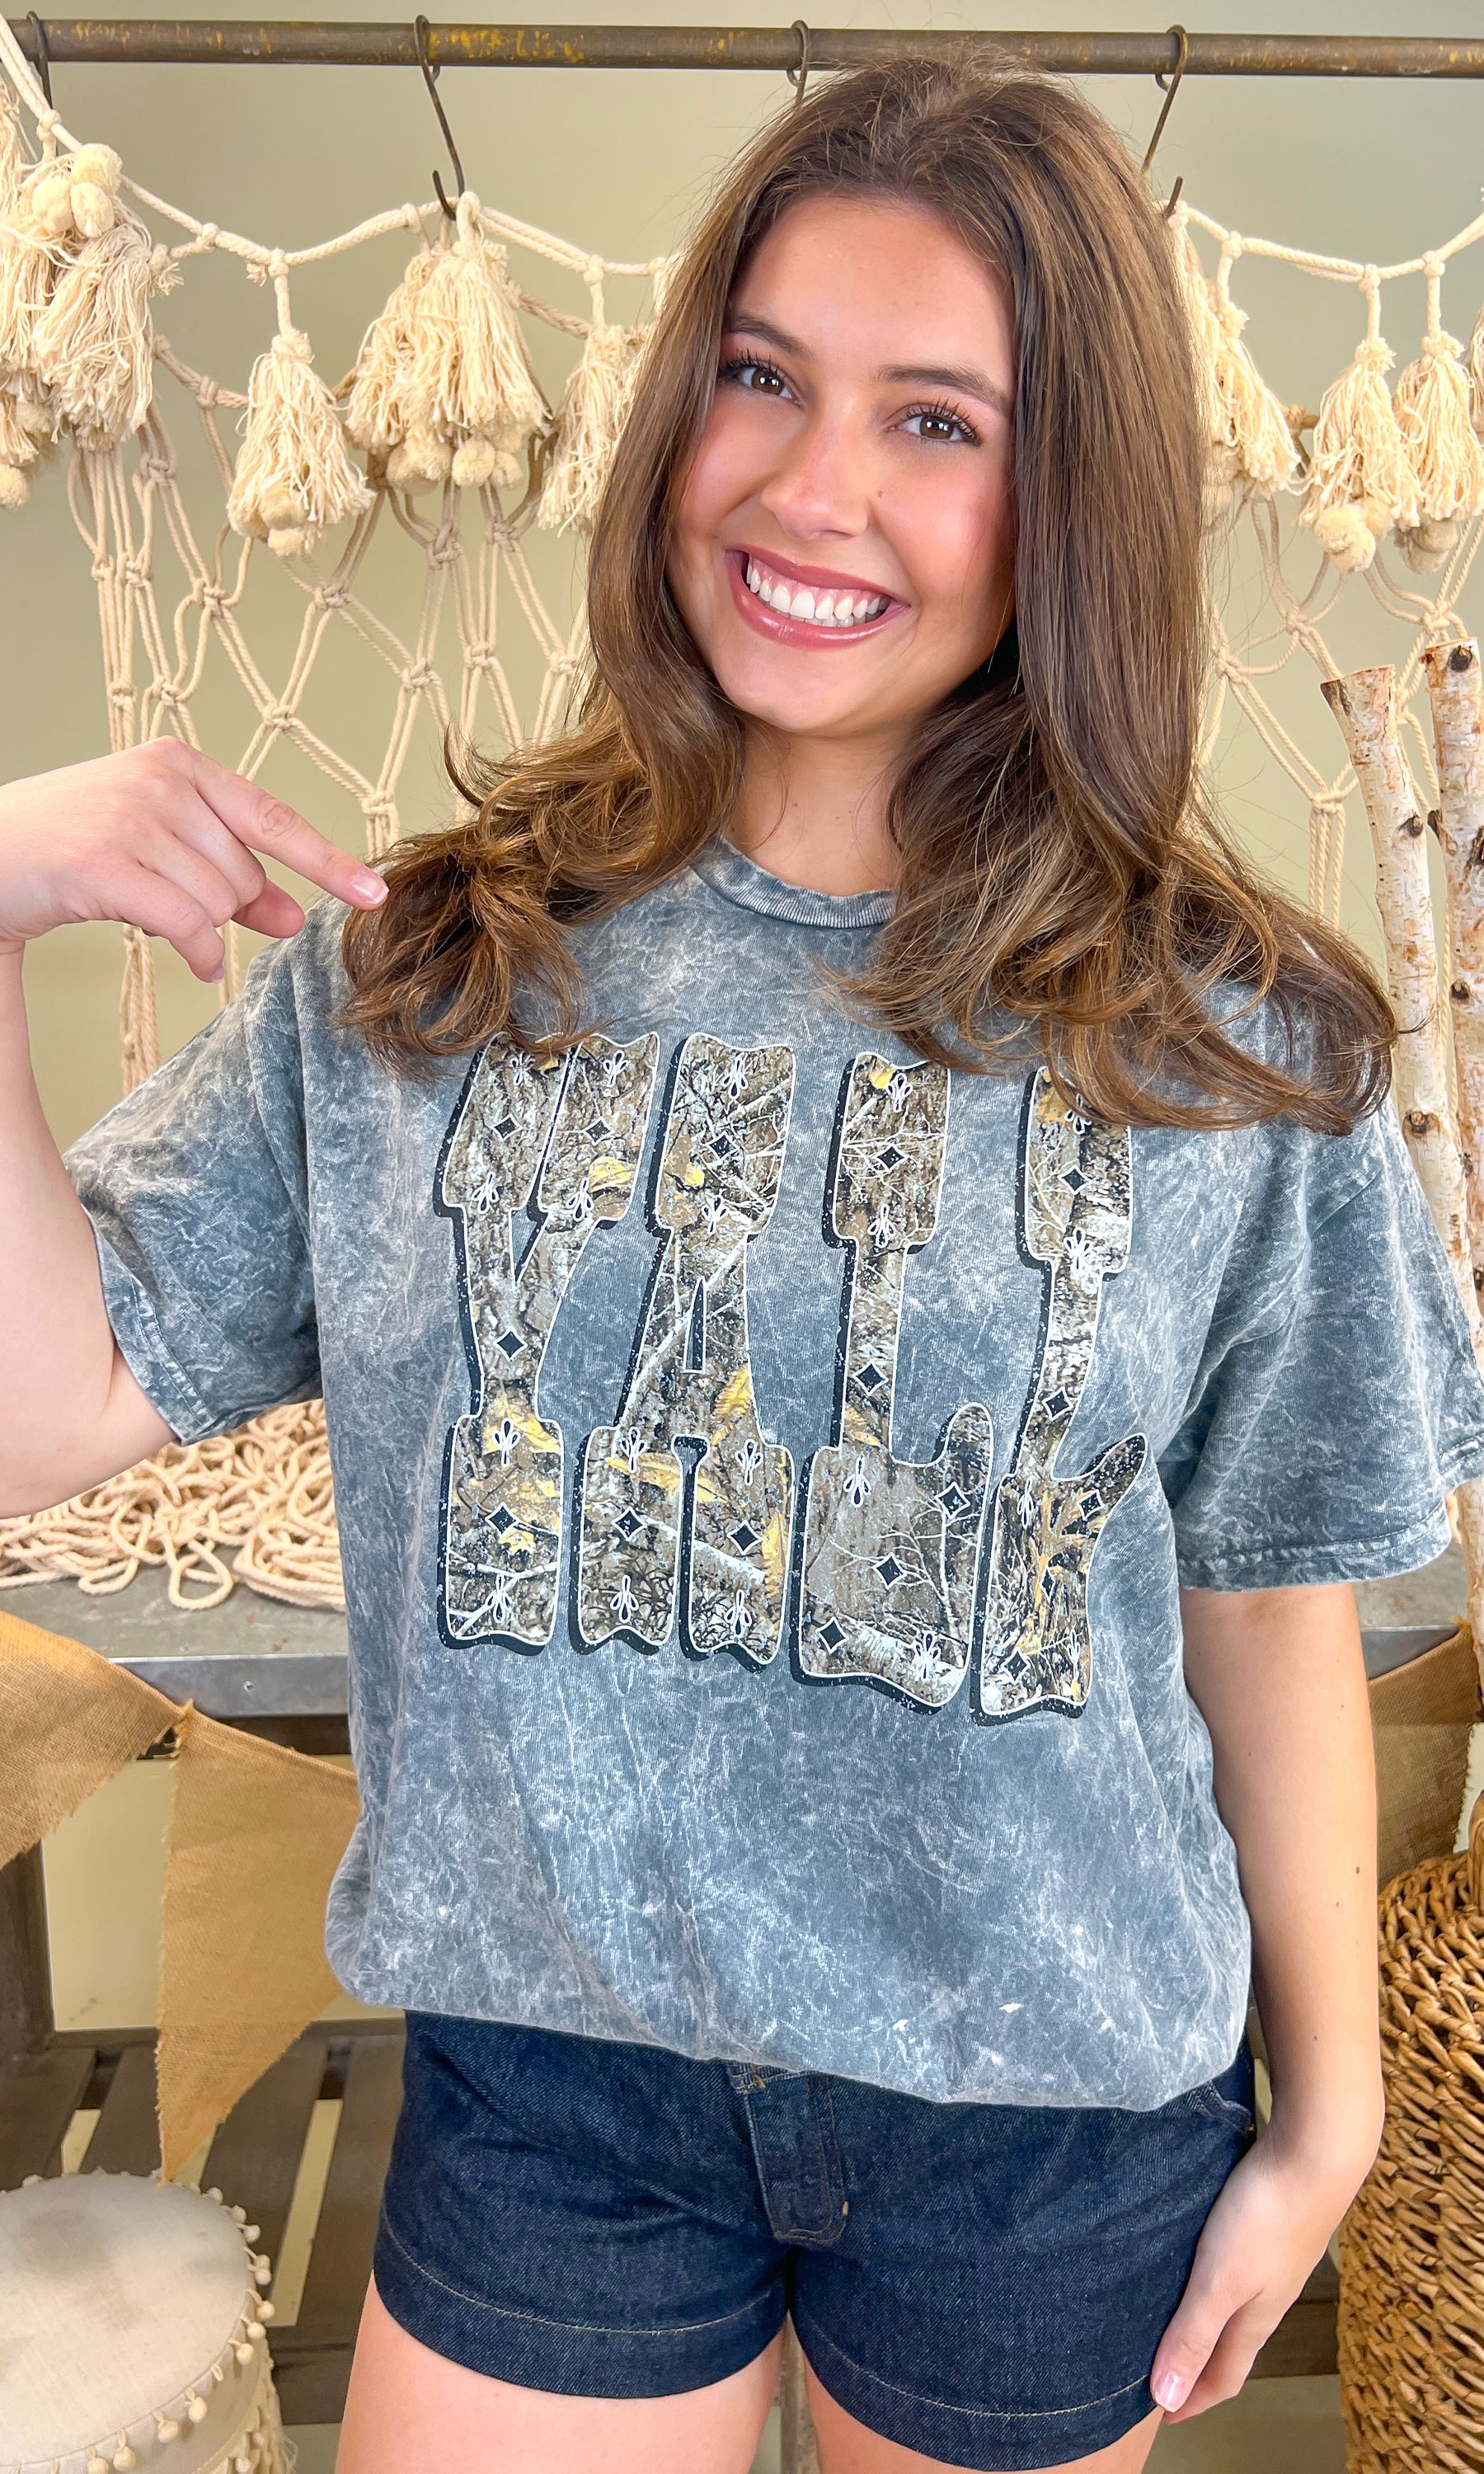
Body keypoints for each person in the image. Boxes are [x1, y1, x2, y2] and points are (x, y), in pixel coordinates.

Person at [1, 55, 1480, 2474]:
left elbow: (1266, 1600)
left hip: (1046, 2113)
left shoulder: (1232, 1042)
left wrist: (1331, 2113)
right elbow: (42, 1414)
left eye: (937, 422)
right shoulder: (428, 969)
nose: (810, 487)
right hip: (557, 2082)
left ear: (1072, 502)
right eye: (764, 378)